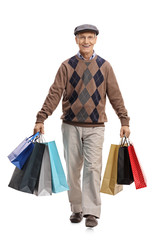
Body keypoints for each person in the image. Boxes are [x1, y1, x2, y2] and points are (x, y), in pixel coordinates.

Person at [33, 24, 131, 228]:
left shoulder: (105, 67)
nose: (86, 41)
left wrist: (124, 120)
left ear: (96, 39)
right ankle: (76, 208)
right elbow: (55, 93)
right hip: (70, 125)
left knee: (93, 168)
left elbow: (115, 95)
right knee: (73, 169)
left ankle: (92, 212)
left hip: (96, 126)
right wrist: (41, 118)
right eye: (82, 37)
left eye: (90, 37)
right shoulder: (66, 66)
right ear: (76, 40)